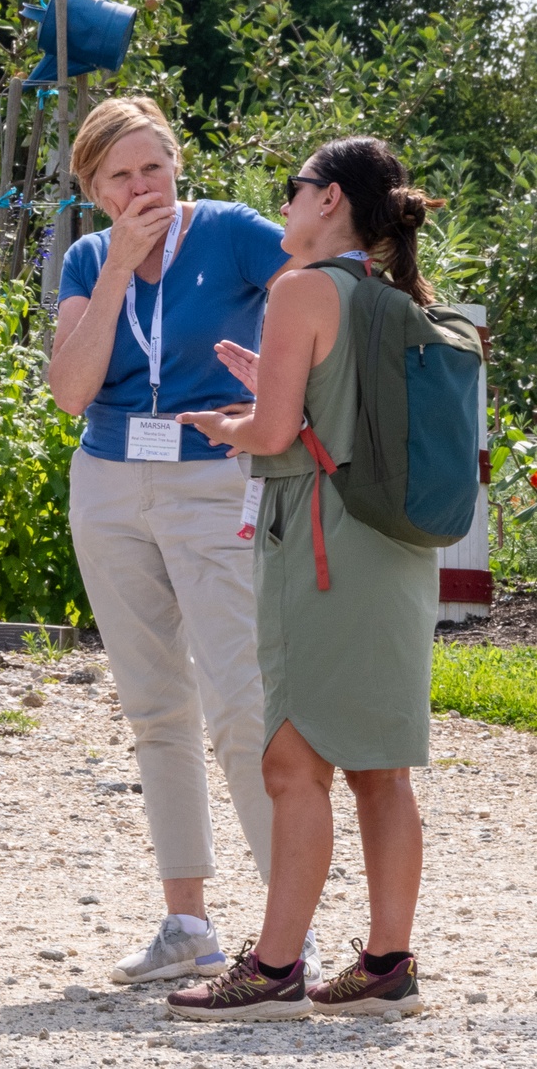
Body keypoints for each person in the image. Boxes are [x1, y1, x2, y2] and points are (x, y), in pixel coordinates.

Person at [167, 136, 437, 1022]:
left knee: (292, 758)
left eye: (296, 187)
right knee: (382, 766)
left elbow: (276, 435)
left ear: (330, 202)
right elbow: (332, 412)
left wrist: (226, 424)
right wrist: (269, 399)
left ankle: (274, 969)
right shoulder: (391, 297)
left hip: (319, 540)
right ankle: (385, 965)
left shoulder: (299, 288)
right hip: (395, 548)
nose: (286, 202)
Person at [48, 96, 315, 986]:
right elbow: (72, 391)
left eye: (151, 167)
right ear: (93, 189)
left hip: (212, 481)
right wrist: (120, 268)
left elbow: (318, 299)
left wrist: (279, 403)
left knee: (243, 699)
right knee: (155, 707)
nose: (140, 187)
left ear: (176, 164)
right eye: (119, 176)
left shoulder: (234, 231)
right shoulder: (90, 256)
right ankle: (186, 921)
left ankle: (289, 932)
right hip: (111, 485)